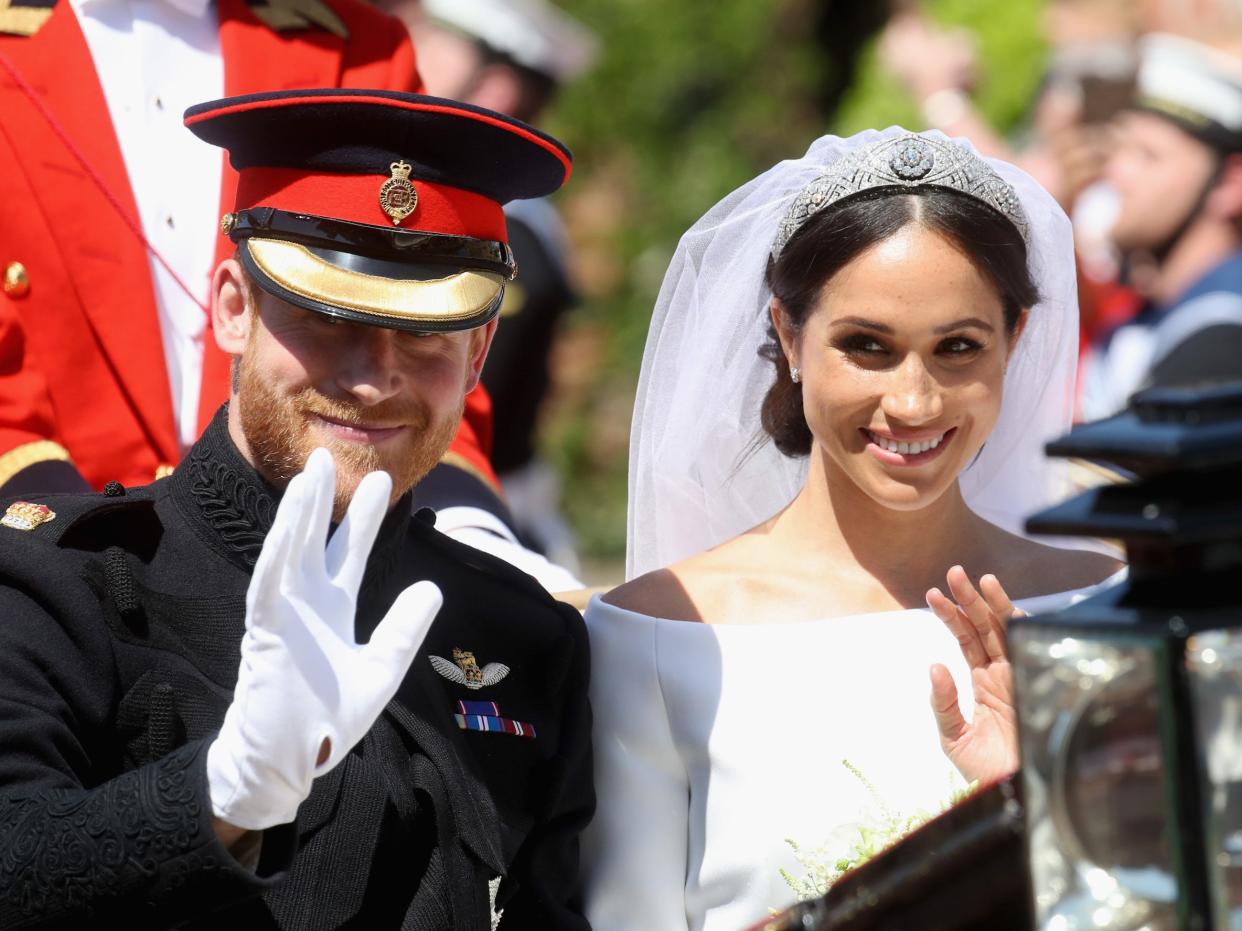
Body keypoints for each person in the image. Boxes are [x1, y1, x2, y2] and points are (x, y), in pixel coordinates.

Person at [0, 89, 592, 930]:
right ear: (235, 307)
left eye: (424, 335)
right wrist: (226, 793)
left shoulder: (523, 637)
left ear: (478, 354)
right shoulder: (56, 585)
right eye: (327, 317)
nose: (374, 376)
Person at [580, 129, 1124, 931]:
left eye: (958, 348)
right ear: (792, 336)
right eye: (867, 346)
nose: (913, 401)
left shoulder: (1101, 612)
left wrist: (1027, 801)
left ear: (1015, 339)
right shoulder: (657, 632)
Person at [383, 0, 596, 585]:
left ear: (496, 86)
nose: (413, 48)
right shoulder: (525, 224)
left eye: (436, 38)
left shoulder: (502, 235)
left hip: (466, 520)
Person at [1079, 33, 1242, 419]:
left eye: (1148, 156)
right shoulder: (1150, 314)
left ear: (1229, 184)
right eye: (1119, 150)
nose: (1116, 172)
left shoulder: (1223, 333)